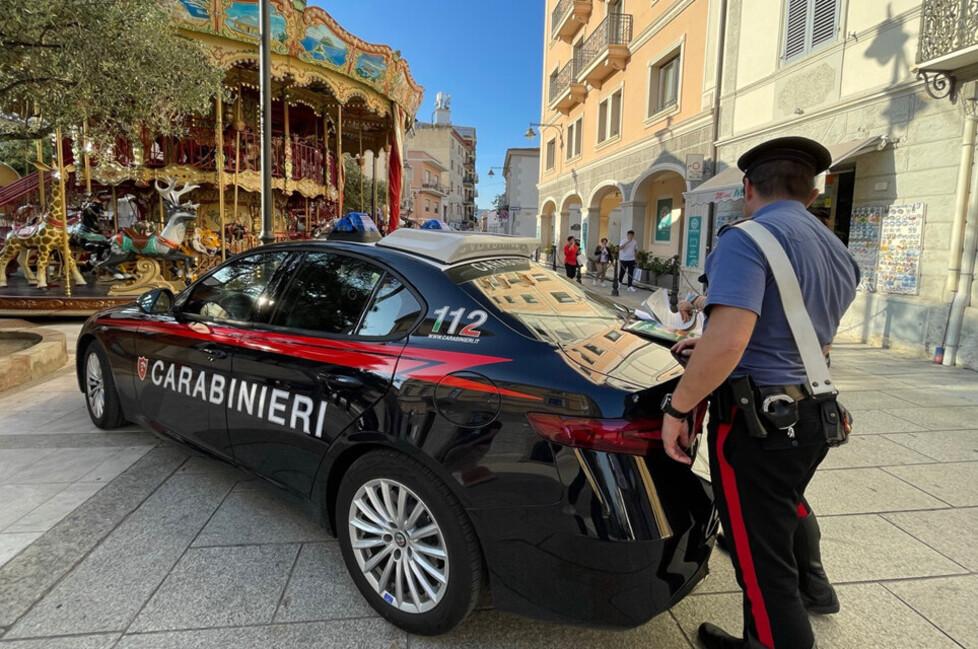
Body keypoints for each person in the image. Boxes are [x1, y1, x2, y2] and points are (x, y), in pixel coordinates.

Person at [659, 136, 859, 649]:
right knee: (785, 505)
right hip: (816, 410)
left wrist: (678, 408)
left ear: (747, 188)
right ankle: (815, 587)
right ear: (812, 193)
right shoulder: (835, 248)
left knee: (761, 565)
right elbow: (809, 335)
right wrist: (718, 344)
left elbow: (729, 342)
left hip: (759, 423)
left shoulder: (747, 239)